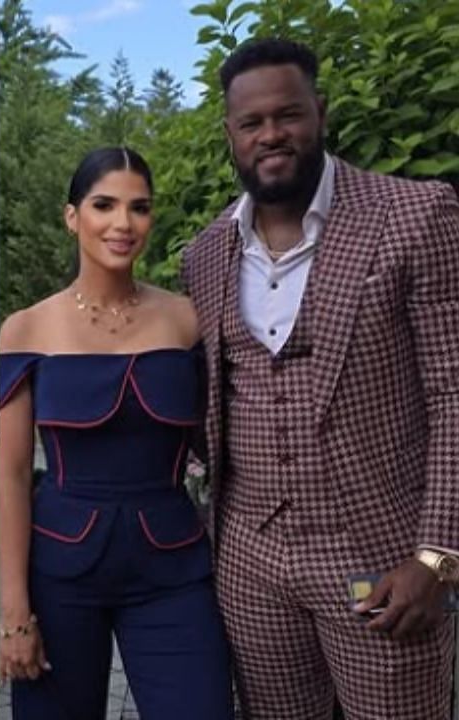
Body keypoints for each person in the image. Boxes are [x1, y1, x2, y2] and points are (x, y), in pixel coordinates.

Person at [181, 37, 459, 719]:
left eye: (289, 115)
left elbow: (454, 395)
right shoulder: (207, 252)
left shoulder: (415, 216)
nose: (271, 135)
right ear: (230, 134)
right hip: (250, 561)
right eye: (251, 123)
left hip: (382, 560)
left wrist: (439, 559)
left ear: (321, 114)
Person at [0, 147, 234, 719]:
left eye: (139, 207)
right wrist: (15, 615)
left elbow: (222, 439)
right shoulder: (27, 327)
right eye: (104, 205)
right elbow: (9, 476)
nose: (122, 224)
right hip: (61, 575)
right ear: (72, 216)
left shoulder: (187, 319)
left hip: (173, 570)